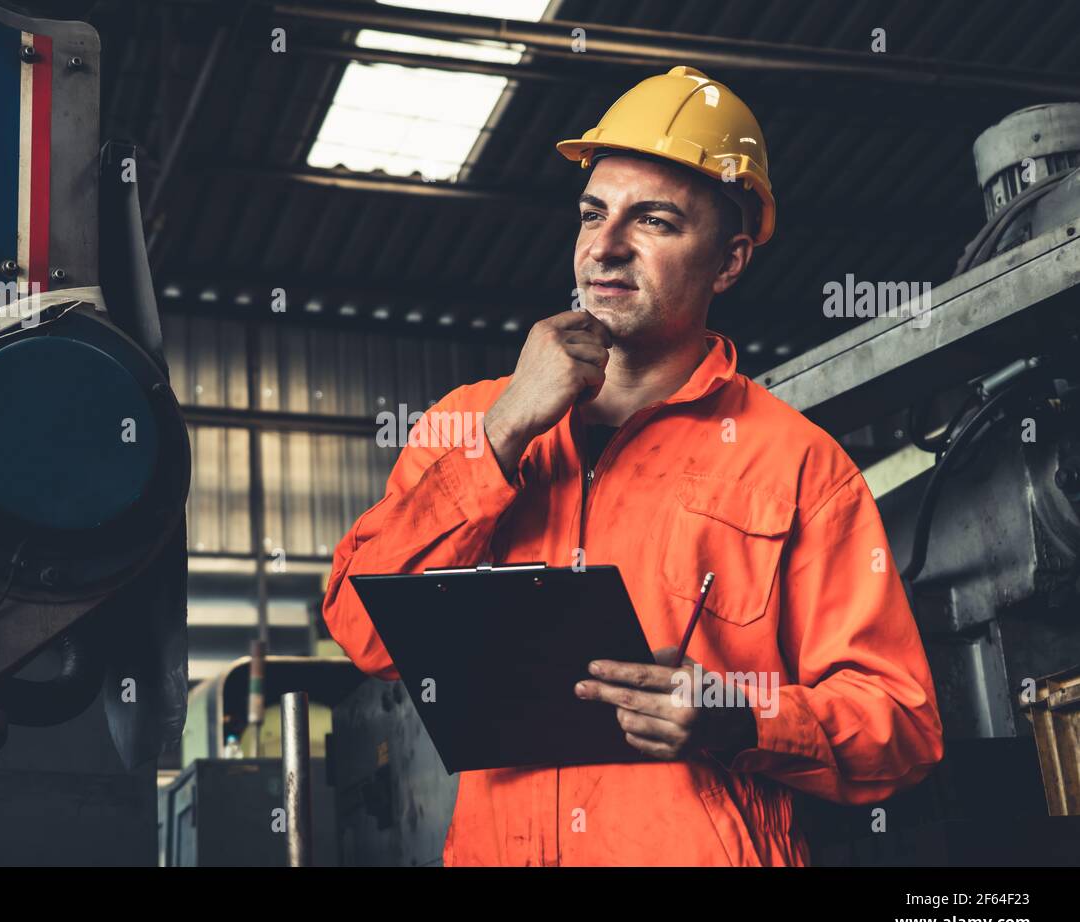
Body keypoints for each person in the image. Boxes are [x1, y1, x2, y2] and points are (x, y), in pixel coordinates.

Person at [322, 66, 944, 865]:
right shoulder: (468, 422)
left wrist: (736, 714)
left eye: (653, 220)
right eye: (593, 213)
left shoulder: (797, 465)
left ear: (728, 261)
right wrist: (502, 434)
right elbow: (362, 632)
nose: (606, 246)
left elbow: (902, 724)